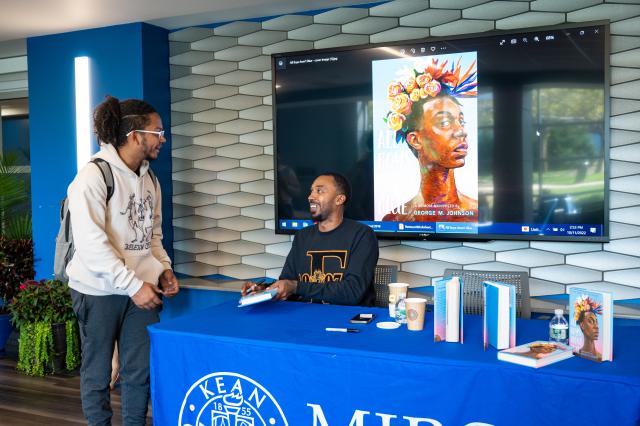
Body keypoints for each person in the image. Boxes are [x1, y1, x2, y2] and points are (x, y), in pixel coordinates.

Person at [66, 95, 179, 425]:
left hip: (141, 291)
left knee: (139, 372)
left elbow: (152, 236)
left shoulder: (150, 179)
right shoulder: (93, 176)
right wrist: (132, 285)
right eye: (158, 131)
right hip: (98, 291)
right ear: (135, 134)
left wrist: (164, 270)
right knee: (98, 373)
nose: (163, 138)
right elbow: (91, 245)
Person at [242, 173, 378, 306]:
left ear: (339, 199)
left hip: (345, 320)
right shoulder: (302, 236)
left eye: (319, 191)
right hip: (303, 317)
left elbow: (352, 292)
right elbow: (288, 282)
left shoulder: (362, 235)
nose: (310, 196)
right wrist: (265, 290)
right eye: (311, 191)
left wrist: (296, 287)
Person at [381, 57, 478, 223]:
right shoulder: (394, 220)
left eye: (461, 121)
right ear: (415, 140)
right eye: (445, 122)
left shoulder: (477, 215)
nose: (461, 131)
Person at [574, 295, 602, 361]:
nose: (596, 326)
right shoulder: (577, 353)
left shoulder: (601, 357)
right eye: (590, 321)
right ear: (582, 325)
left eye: (596, 322)